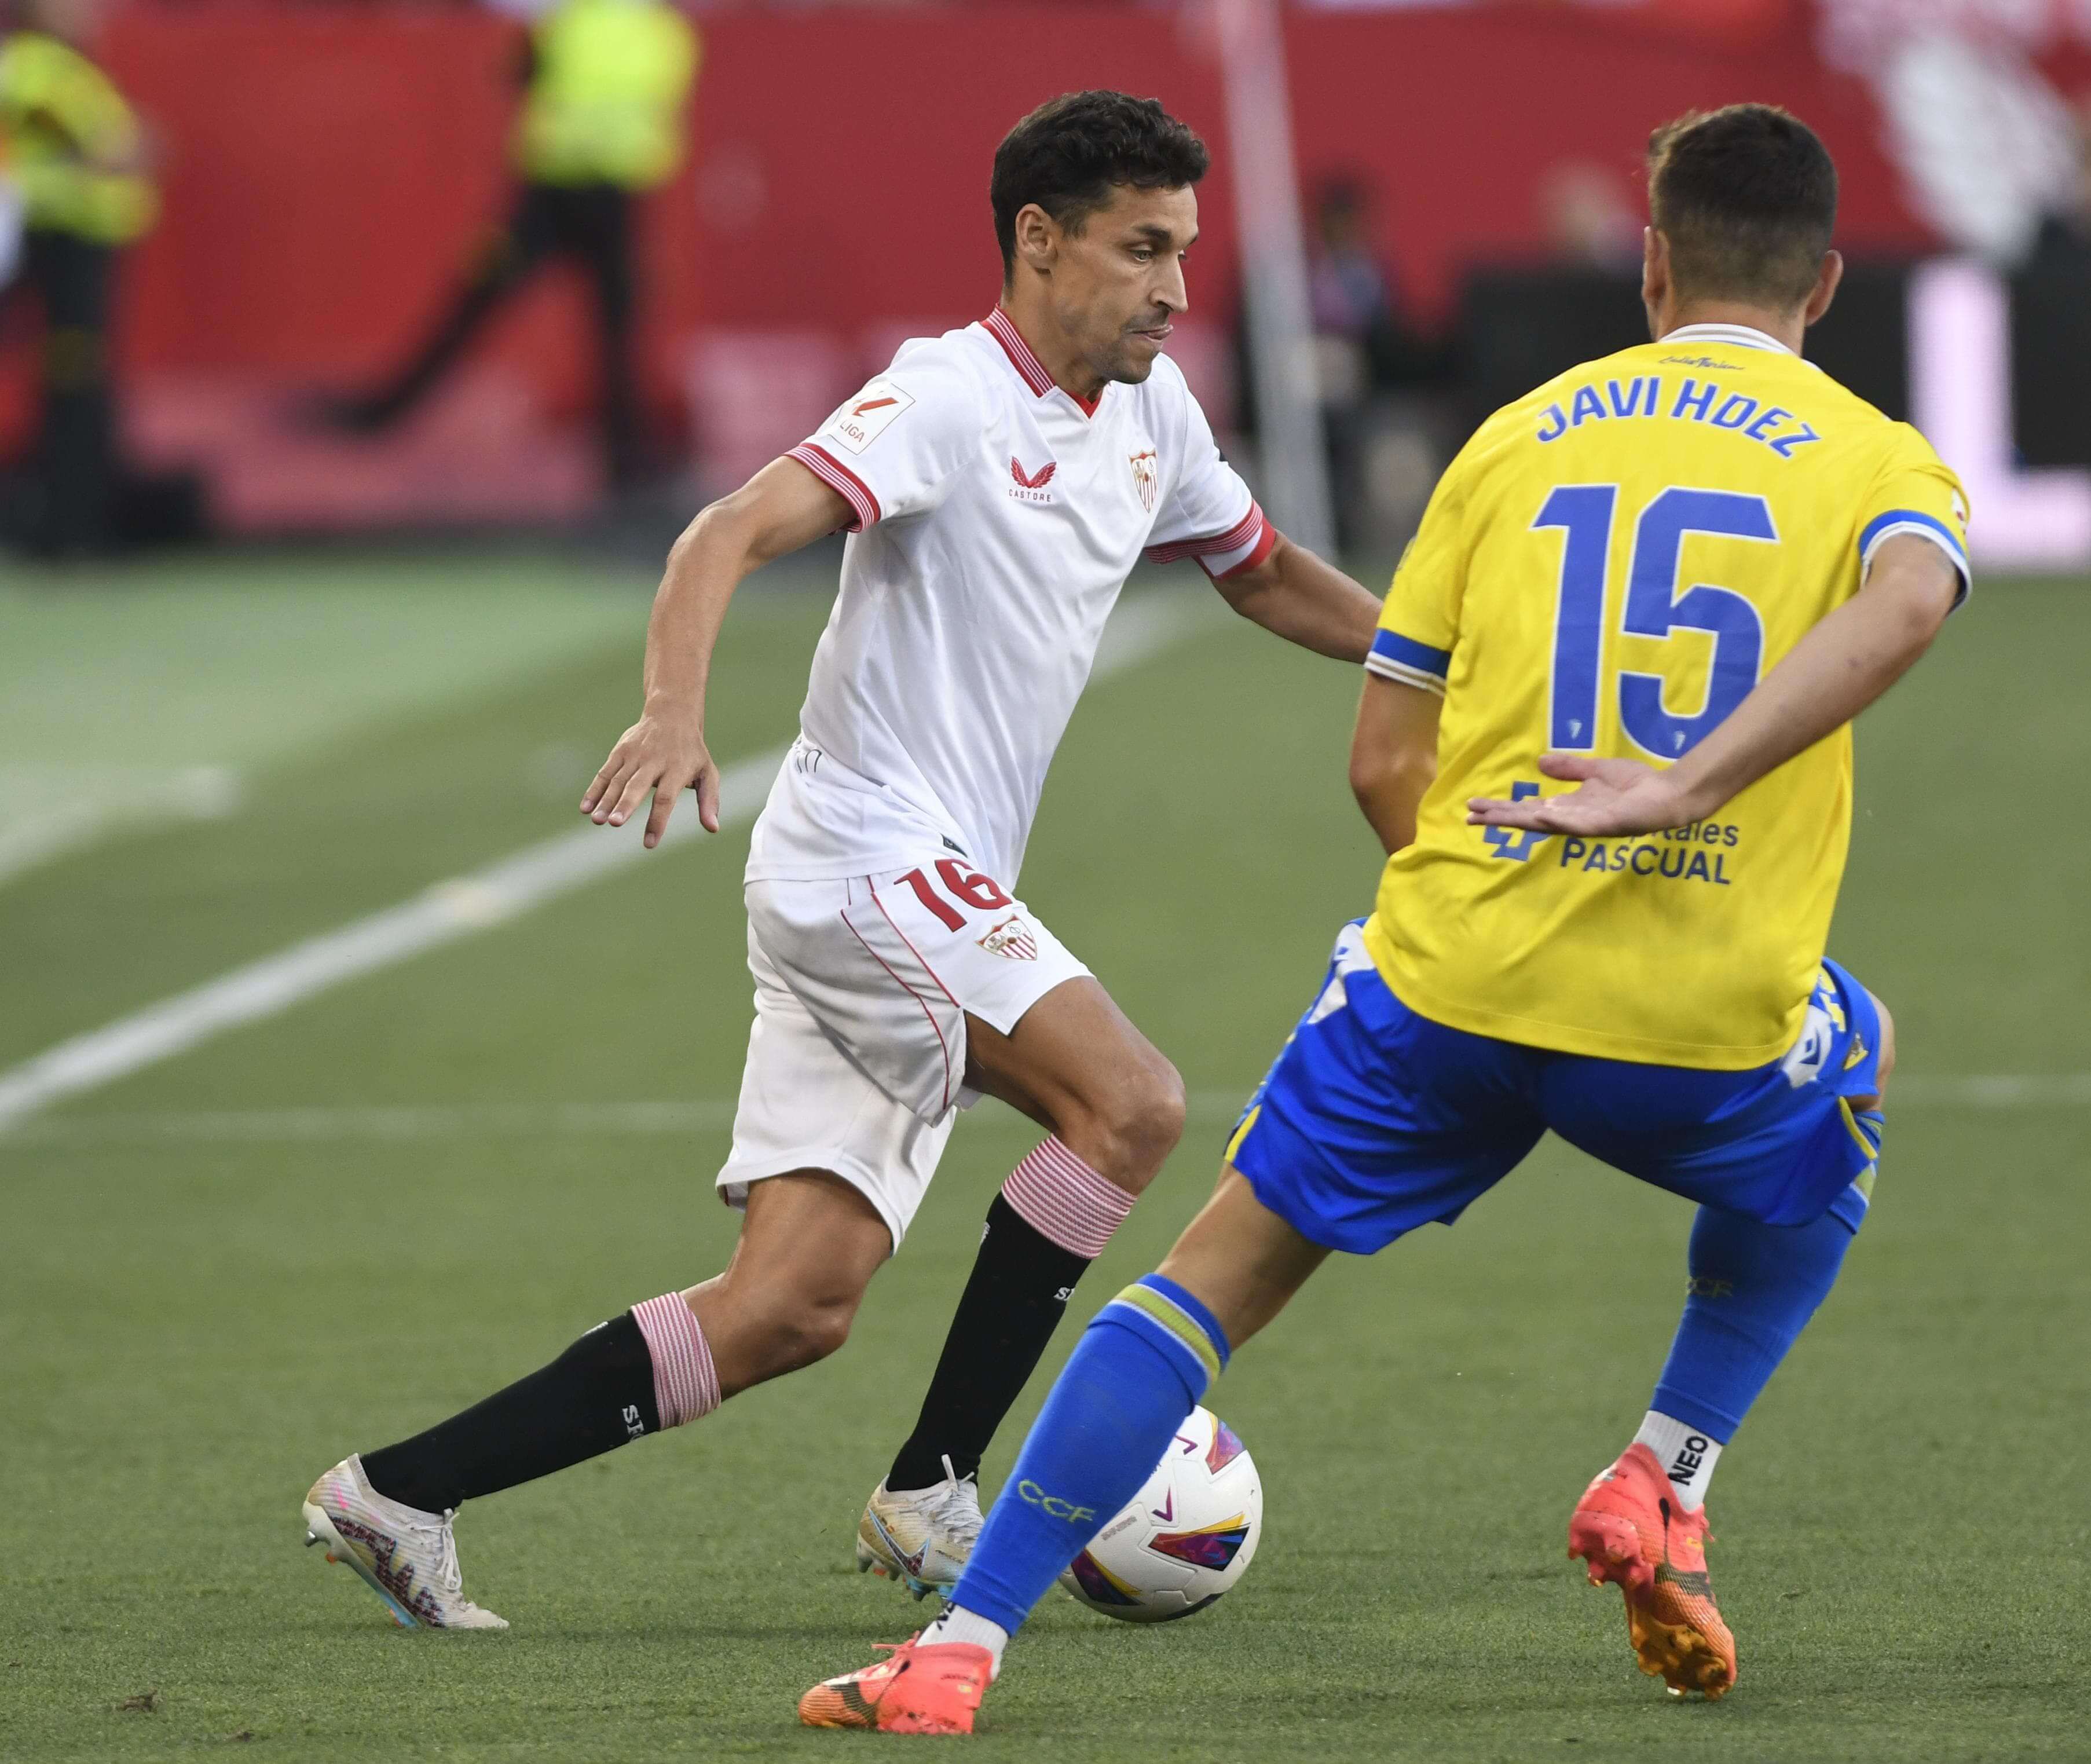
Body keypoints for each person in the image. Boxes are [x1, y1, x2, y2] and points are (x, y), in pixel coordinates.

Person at [798, 103, 1972, 1734]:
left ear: (1647, 265)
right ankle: (1666, 1470)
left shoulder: (1513, 439)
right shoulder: (1872, 456)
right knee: (1861, 1049)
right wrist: (1684, 786)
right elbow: (1914, 595)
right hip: (1693, 1017)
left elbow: (1381, 759)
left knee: (1205, 1278)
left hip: (1451, 987)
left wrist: (1507, 898)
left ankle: (957, 1648)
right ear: (1826, 283)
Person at [298, 90, 1380, 1631]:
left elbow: (1260, 572)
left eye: (1183, 253)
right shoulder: (945, 396)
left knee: (788, 1306)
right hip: (866, 853)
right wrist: (674, 710)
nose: (1174, 289)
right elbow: (724, 530)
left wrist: (1436, 656)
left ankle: (395, 1490)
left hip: (905, 886)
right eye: (1143, 250)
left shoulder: (1152, 414)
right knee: (1127, 1100)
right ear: (1038, 239)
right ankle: (938, 1482)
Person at [319, 0, 697, 493]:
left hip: (548, 196)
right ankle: (625, 466)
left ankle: (382, 415)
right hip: (614, 201)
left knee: (474, 305)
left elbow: (519, 75)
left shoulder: (568, 21)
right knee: (617, 335)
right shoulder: (668, 34)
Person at [0, 0, 156, 557]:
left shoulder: (64, 69)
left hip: (79, 246)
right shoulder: (34, 67)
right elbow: (111, 152)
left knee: (78, 385)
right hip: (63, 243)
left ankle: (73, 521)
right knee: (73, 387)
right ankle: (66, 526)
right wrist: (133, 149)